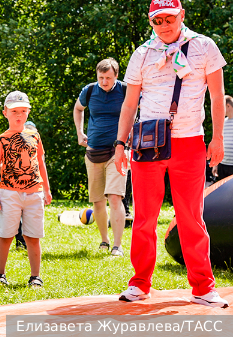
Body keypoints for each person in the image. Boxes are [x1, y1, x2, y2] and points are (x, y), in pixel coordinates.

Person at [115, 0, 229, 308]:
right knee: (143, 218)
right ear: (151, 21)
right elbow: (129, 104)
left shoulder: (204, 46)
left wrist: (217, 139)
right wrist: (119, 144)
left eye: (170, 18)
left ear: (181, 15)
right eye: (158, 20)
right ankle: (140, 283)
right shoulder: (141, 54)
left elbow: (218, 97)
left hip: (190, 142)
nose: (164, 24)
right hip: (147, 143)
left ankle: (203, 287)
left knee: (192, 217)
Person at [0, 91, 52, 287]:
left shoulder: (35, 136)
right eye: (14, 111)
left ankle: (35, 276)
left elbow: (40, 162)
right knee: (6, 235)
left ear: (28, 112)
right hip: (9, 194)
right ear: (5, 112)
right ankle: (0, 274)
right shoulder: (1, 140)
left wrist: (47, 189)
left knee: (33, 237)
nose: (19, 115)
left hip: (35, 192)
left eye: (23, 111)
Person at [72, 58, 128, 256]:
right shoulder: (89, 90)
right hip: (94, 150)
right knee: (97, 200)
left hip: (118, 150)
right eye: (101, 77)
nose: (104, 82)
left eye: (108, 78)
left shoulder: (125, 90)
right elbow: (78, 109)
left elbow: (136, 112)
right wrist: (80, 133)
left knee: (114, 196)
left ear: (116, 76)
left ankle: (117, 245)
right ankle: (104, 240)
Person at [213, 95, 233, 182]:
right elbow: (219, 142)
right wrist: (215, 164)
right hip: (222, 165)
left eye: (222, 107)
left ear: (228, 106)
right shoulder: (223, 122)